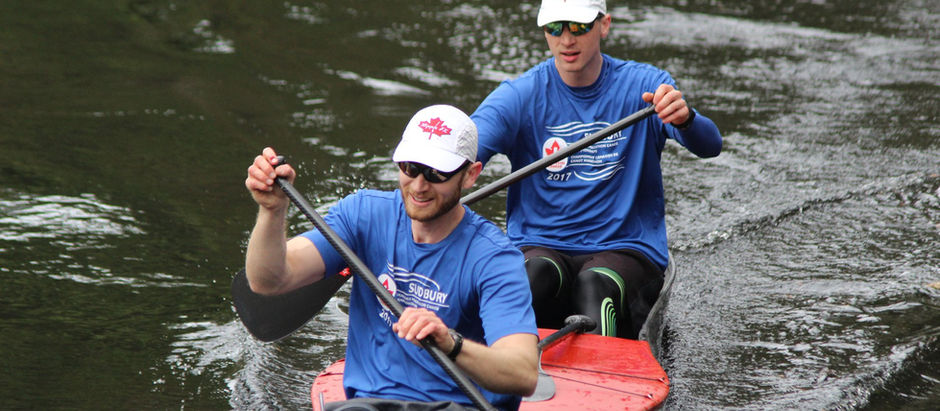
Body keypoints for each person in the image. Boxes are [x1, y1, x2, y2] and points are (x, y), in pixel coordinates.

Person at [244, 105, 539, 410]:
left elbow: (523, 373)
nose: (420, 186)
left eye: (437, 173)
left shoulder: (494, 257)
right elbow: (269, 280)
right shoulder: (363, 215)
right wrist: (272, 211)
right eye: (410, 167)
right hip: (368, 404)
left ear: (470, 175)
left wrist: (450, 343)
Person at [470, 0, 723, 340]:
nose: (566, 40)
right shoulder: (519, 95)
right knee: (532, 278)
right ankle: (503, 371)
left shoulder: (646, 87)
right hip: (541, 245)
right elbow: (463, 148)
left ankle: (600, 382)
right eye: (555, 28)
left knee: (595, 286)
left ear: (604, 25)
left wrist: (685, 117)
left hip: (623, 246)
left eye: (578, 27)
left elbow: (710, 145)